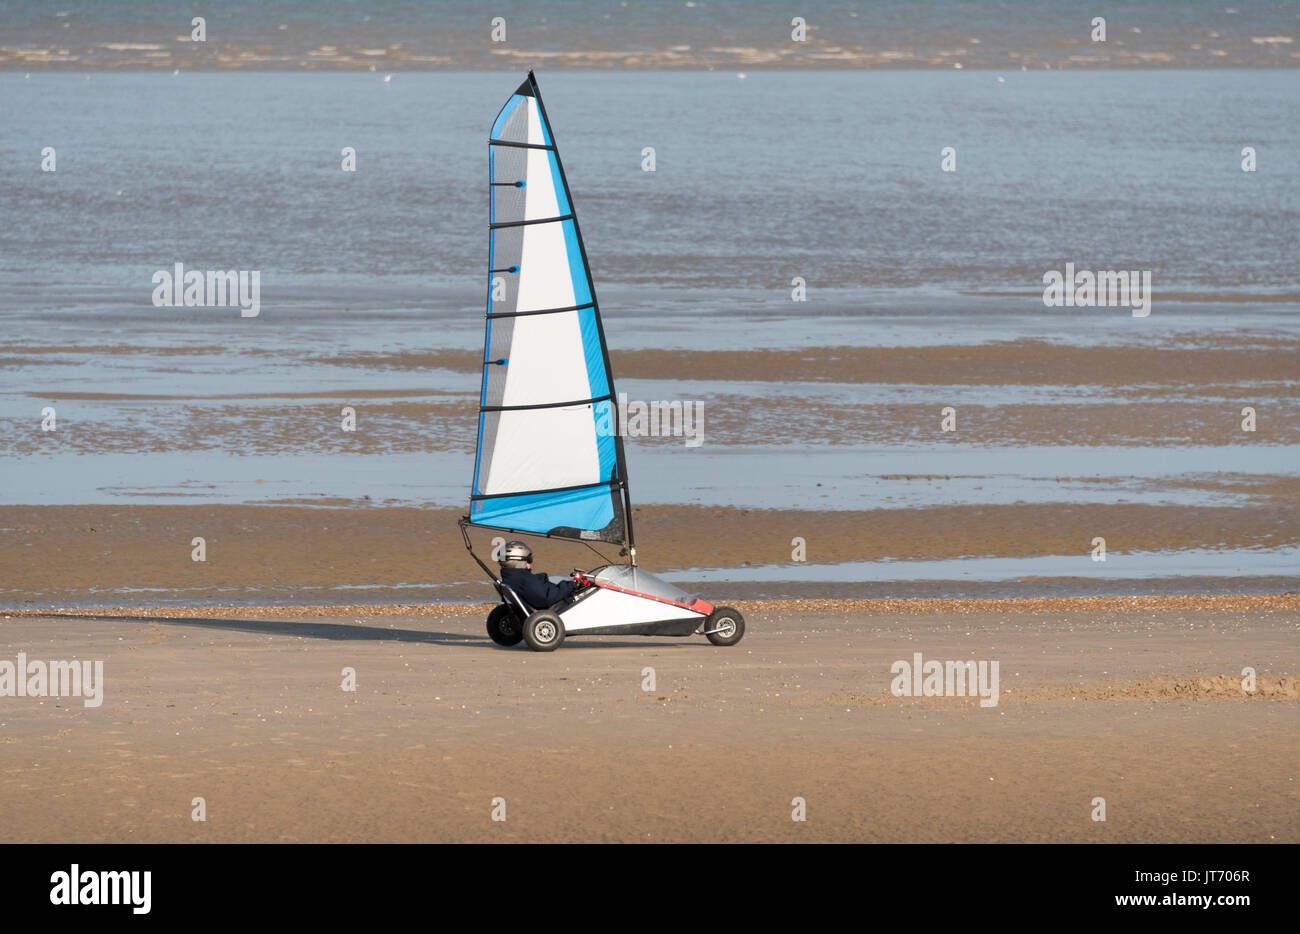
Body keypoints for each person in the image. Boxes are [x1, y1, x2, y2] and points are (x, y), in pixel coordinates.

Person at [498, 541, 585, 610]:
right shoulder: (525, 580)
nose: (530, 564)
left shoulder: (511, 578)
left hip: (544, 603)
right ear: (518, 561)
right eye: (529, 560)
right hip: (554, 610)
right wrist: (573, 584)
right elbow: (546, 598)